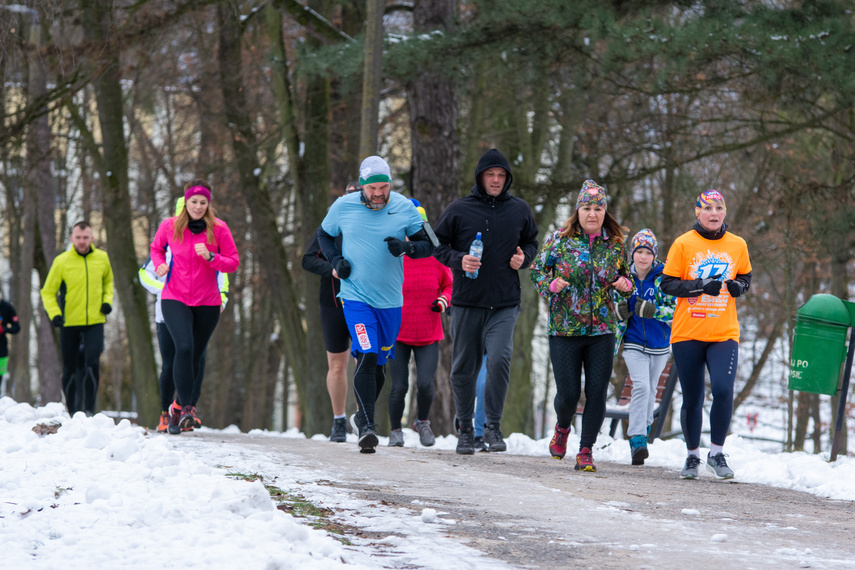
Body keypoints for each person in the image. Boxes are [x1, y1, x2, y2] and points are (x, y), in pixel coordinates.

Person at [317, 156, 435, 453]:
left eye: (384, 187)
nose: (379, 193)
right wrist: (335, 261)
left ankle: (363, 414)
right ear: (362, 187)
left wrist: (407, 247)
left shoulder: (404, 207)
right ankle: (367, 426)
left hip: (391, 303)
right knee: (367, 355)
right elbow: (324, 235)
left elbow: (430, 245)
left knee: (380, 365)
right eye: (373, 189)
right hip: (355, 298)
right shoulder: (343, 206)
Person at [433, 148, 539, 454]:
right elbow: (437, 244)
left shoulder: (519, 209)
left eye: (501, 175)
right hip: (467, 302)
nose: (495, 180)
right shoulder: (459, 209)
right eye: (490, 175)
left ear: (507, 179)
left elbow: (531, 241)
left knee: (500, 359)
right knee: (463, 367)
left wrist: (525, 257)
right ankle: (465, 428)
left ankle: (493, 427)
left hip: (505, 303)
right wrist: (459, 260)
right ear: (480, 177)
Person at [530, 180, 633, 472]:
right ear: (578, 211)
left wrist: (625, 286)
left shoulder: (614, 245)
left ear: (605, 212)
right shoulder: (559, 240)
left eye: (598, 208)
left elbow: (626, 281)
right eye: (587, 207)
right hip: (564, 329)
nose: (592, 213)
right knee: (569, 394)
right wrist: (550, 284)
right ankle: (562, 427)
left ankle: (585, 450)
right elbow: (536, 270)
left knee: (598, 391)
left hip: (602, 329)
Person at [660, 189, 751, 480]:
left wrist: (740, 287)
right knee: (693, 396)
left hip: (724, 332)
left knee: (723, 390)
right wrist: (700, 285)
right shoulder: (683, 243)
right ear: (697, 212)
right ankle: (691, 457)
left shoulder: (737, 244)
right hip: (688, 332)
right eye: (708, 208)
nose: (714, 213)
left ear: (725, 212)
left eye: (719, 208)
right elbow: (667, 284)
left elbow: (745, 276)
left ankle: (717, 453)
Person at [150, 180, 239, 433]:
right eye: (193, 202)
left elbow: (232, 262)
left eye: (203, 202)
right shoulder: (169, 226)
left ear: (208, 204)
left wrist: (212, 257)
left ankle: (177, 408)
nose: (198, 207)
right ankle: (188, 407)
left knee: (197, 355)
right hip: (174, 296)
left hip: (208, 301)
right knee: (185, 347)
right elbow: (156, 249)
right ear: (185, 203)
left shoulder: (219, 229)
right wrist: (159, 266)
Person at [387, 200, 452, 448]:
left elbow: (449, 285)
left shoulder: (435, 257)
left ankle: (422, 421)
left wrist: (443, 301)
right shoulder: (394, 258)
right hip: (399, 332)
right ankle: (395, 431)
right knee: (399, 386)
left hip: (428, 331)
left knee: (425, 384)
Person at [302, 181, 360, 443]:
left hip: (365, 303)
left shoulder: (374, 225)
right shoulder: (330, 226)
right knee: (337, 364)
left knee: (366, 361)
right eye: (346, 199)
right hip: (333, 303)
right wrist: (332, 269)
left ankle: (363, 418)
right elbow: (307, 258)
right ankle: (338, 421)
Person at [614, 228, 676, 465]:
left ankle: (644, 423)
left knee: (650, 388)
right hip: (632, 342)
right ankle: (637, 439)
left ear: (654, 255)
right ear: (632, 253)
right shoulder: (624, 277)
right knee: (640, 386)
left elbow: (675, 311)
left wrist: (652, 311)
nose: (643, 257)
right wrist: (620, 311)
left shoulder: (664, 278)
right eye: (639, 251)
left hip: (660, 344)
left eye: (647, 252)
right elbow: (613, 305)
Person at [41, 221, 115, 416]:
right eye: (78, 237)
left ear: (92, 238)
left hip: (95, 321)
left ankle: (89, 410)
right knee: (70, 369)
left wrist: (107, 301)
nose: (82, 241)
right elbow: (47, 292)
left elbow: (108, 283)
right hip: (69, 323)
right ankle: (73, 411)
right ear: (72, 238)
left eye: (86, 237)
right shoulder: (62, 261)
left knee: (92, 363)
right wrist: (55, 314)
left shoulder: (102, 258)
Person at [0, 293, 21, 395]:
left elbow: (16, 327)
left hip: (1, 348)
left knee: (0, 374)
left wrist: (4, 329)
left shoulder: (7, 308)